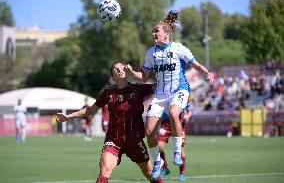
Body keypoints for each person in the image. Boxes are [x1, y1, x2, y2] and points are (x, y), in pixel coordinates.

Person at [126, 10, 215, 178]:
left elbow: (195, 65)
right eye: (153, 31)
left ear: (166, 34)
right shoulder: (151, 53)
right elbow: (143, 76)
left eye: (156, 31)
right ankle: (157, 161)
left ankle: (176, 151)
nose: (153, 34)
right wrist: (131, 72)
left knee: (174, 113)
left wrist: (207, 73)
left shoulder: (178, 48)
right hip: (160, 95)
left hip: (179, 90)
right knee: (149, 130)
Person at [56, 62, 163, 183]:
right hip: (114, 140)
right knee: (104, 171)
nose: (119, 70)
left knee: (151, 175)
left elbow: (161, 86)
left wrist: (154, 71)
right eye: (115, 69)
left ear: (126, 71)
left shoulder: (138, 89)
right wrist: (68, 117)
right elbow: (90, 110)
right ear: (113, 76)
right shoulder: (108, 93)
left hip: (135, 141)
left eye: (122, 67)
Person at [158, 104, 192, 182]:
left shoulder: (181, 94)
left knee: (180, 148)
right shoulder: (164, 95)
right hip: (166, 124)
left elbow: (190, 111)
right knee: (158, 147)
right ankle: (165, 169)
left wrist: (188, 116)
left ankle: (182, 173)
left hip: (179, 123)